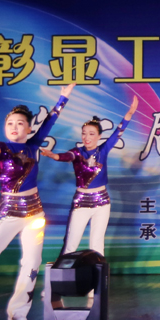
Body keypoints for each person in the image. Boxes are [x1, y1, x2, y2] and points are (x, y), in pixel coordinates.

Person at [0, 84, 74, 320]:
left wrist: (63, 98)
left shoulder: (33, 145)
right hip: (9, 212)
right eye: (10, 123)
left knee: (32, 262)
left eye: (20, 123)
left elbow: (49, 122)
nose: (14, 127)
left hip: (35, 214)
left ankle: (18, 312)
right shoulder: (3, 147)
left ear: (29, 128)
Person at [40, 96, 139, 256]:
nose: (87, 137)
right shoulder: (78, 152)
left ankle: (97, 271)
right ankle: (64, 270)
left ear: (99, 136)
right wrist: (53, 155)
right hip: (82, 202)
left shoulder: (103, 150)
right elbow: (66, 156)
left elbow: (118, 131)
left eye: (91, 134)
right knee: (71, 244)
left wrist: (130, 113)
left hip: (102, 201)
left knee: (97, 244)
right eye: (84, 133)